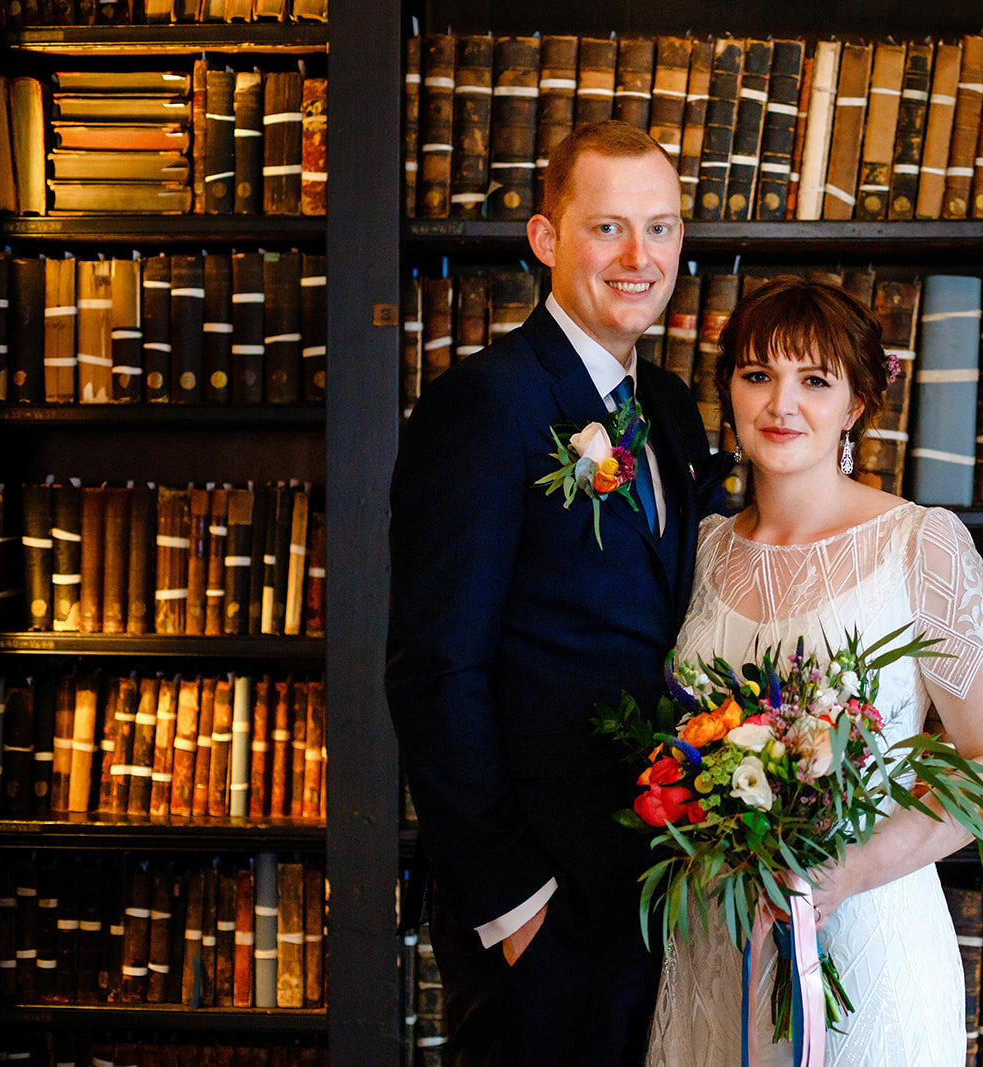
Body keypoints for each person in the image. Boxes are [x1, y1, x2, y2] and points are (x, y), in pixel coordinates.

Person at [386, 120, 728, 1065]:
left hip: (666, 883)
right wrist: (515, 901)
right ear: (545, 239)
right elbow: (435, 670)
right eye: (608, 227)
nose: (639, 257)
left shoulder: (666, 406)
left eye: (660, 229)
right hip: (546, 904)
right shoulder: (485, 404)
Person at [644, 277, 983, 1066]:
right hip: (717, 944)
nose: (781, 404)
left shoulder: (918, 543)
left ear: (856, 402)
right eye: (758, 375)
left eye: (814, 380)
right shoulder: (701, 548)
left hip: (864, 936)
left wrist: (846, 871)